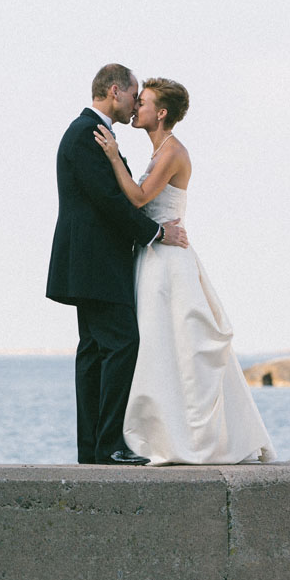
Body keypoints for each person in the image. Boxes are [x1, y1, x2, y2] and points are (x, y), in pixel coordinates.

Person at [94, 78, 276, 464]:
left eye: (142, 102)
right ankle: (161, 432)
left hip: (168, 263)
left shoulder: (173, 152)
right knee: (159, 349)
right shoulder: (158, 152)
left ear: (161, 112)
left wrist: (112, 157)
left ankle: (188, 437)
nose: (135, 107)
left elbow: (141, 197)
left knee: (175, 346)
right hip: (153, 255)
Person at [46, 64, 189, 466]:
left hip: (88, 262)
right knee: (122, 344)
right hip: (95, 262)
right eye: (132, 95)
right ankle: (108, 445)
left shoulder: (90, 132)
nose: (134, 103)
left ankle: (92, 449)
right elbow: (110, 203)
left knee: (94, 351)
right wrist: (157, 235)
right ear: (114, 91)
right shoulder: (87, 134)